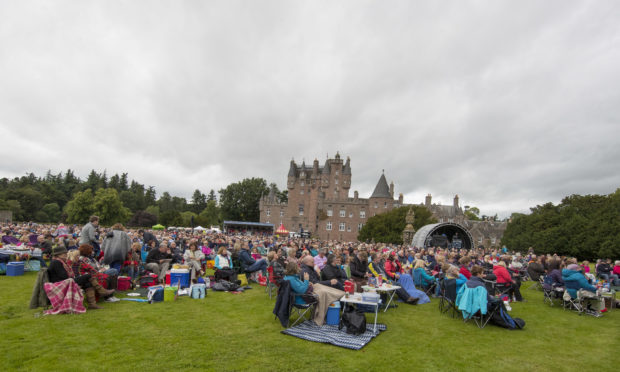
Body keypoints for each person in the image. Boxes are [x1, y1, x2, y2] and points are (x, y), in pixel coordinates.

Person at [283, 261, 344, 326]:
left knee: (322, 289)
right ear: (294, 269)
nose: (299, 269)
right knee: (323, 293)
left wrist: (307, 283)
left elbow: (299, 287)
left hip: (303, 295)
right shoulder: (291, 279)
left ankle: (340, 295)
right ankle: (340, 295)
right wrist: (306, 280)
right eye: (297, 268)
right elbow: (302, 291)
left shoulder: (291, 277)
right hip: (302, 299)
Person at [47, 246, 100, 310]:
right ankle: (101, 291)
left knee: (87, 282)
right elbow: (64, 276)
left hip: (64, 282)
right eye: (64, 253)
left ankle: (92, 304)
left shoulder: (61, 262)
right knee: (88, 276)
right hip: (61, 284)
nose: (66, 254)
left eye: (65, 253)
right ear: (58, 255)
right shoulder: (56, 262)